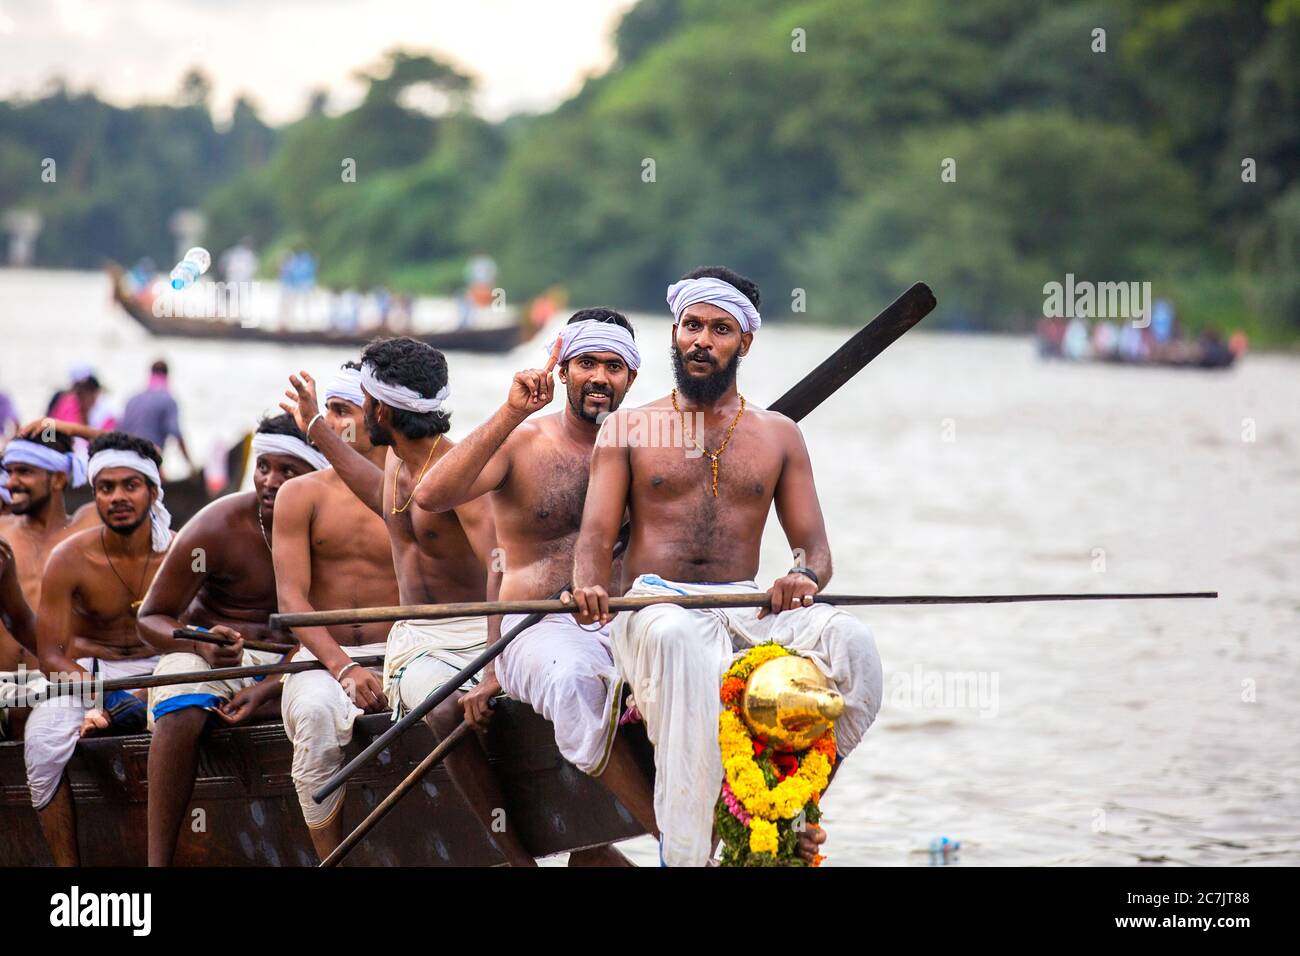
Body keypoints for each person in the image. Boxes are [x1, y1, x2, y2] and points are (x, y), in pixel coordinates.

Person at [569, 266, 884, 867]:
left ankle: (784, 810)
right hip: (652, 608)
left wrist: (803, 579)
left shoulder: (779, 435)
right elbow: (594, 538)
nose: (701, 341)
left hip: (747, 609)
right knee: (678, 637)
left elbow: (815, 552)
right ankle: (685, 856)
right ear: (675, 333)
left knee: (853, 644)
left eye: (719, 329)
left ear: (744, 342)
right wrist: (587, 588)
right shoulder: (627, 428)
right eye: (691, 326)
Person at [413, 309, 657, 866]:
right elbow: (432, 495)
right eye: (586, 363)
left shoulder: (648, 444)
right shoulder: (523, 442)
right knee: (573, 678)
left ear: (631, 379)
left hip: (622, 624)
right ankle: (674, 839)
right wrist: (510, 411)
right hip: (537, 630)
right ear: (563, 371)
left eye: (613, 366)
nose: (600, 377)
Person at [280, 337, 520, 863]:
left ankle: (513, 855)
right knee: (439, 701)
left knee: (445, 708)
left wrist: (494, 665)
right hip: (416, 642)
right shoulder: (396, 463)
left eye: (363, 401)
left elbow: (501, 566)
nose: (360, 412)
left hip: (475, 635)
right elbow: (380, 498)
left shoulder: (461, 475)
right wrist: (316, 429)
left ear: (382, 410)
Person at [136, 413, 328, 866]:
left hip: (303, 661)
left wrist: (269, 686)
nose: (270, 481)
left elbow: (343, 631)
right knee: (182, 693)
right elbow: (151, 618)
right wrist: (201, 645)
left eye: (288, 472)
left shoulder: (334, 527)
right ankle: (157, 863)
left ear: (316, 476)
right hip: (215, 658)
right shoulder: (219, 525)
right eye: (264, 466)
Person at [22, 432, 172, 865]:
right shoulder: (68, 558)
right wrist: (106, 697)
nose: (117, 497)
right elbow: (50, 655)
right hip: (89, 674)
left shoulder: (180, 551)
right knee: (42, 739)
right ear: (95, 494)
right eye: (106, 488)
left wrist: (139, 699)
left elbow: (194, 636)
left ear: (153, 490)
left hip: (169, 670)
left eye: (130, 485)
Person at [273, 363, 401, 859]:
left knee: (448, 705)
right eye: (325, 410)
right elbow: (292, 602)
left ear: (377, 415)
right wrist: (343, 667)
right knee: (313, 714)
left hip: (402, 650)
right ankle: (332, 858)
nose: (328, 420)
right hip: (324, 659)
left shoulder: (415, 490)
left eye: (341, 411)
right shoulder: (299, 494)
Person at [0, 429, 98, 672]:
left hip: (64, 688)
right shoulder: (1, 532)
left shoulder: (88, 527)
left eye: (24, 471)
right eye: (9, 471)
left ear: (58, 479)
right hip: (4, 692)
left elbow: (141, 457)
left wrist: (64, 427)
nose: (11, 482)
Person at [120, 360, 193, 473]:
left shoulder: (133, 399)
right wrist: (191, 465)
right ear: (167, 375)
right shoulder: (168, 400)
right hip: (149, 461)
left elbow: (119, 431)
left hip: (125, 460)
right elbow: (176, 434)